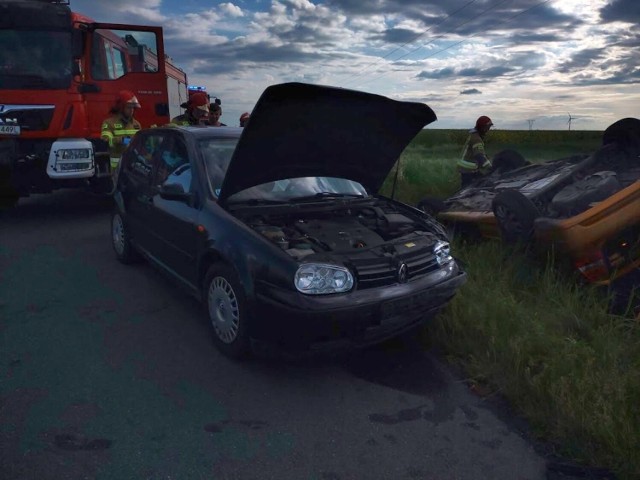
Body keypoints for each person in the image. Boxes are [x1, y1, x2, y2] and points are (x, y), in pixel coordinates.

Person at [101, 90, 142, 171]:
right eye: (129, 107)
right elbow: (106, 140)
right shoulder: (109, 123)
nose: (131, 110)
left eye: (133, 107)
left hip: (132, 167)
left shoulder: (136, 124)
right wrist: (123, 140)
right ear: (121, 107)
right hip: (116, 168)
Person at [457, 115, 494, 187]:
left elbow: (479, 153)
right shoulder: (477, 139)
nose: (488, 129)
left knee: (470, 187)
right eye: (487, 127)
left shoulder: (473, 135)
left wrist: (486, 158)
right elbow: (479, 155)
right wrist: (490, 167)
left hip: (466, 168)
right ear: (482, 127)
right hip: (469, 169)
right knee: (468, 190)